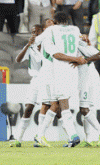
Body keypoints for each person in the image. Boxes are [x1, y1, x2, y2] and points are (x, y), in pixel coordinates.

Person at [35, 11, 86, 148]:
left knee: (61, 104)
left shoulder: (52, 30)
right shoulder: (75, 29)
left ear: (55, 21)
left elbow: (54, 53)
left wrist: (35, 39)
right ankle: (43, 136)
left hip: (59, 71)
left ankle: (70, 136)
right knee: (58, 103)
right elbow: (82, 40)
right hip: (73, 71)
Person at [10, 25, 45, 147]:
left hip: (46, 80)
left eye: (37, 31)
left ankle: (40, 138)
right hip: (35, 81)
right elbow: (18, 60)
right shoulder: (30, 47)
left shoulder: (48, 45)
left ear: (43, 32)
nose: (34, 34)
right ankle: (18, 138)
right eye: (32, 32)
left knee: (44, 109)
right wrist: (27, 46)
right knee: (28, 108)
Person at [70, 39, 100, 147]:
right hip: (83, 80)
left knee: (85, 109)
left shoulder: (79, 45)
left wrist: (85, 60)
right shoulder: (69, 47)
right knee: (85, 109)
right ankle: (89, 139)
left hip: (89, 81)